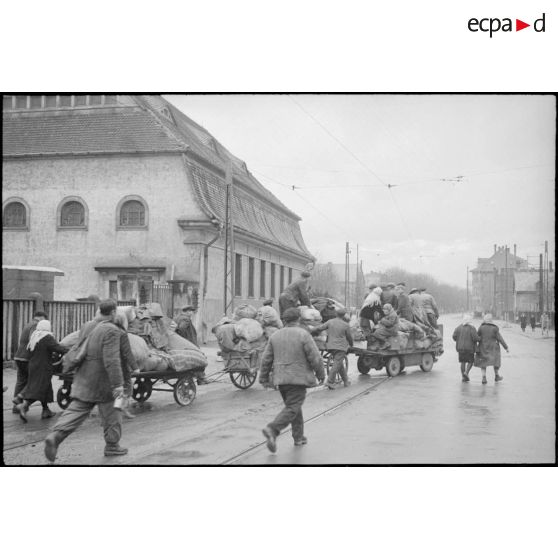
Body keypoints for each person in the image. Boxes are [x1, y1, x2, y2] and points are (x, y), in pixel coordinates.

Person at [44, 299, 128, 462]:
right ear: (112, 312)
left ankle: (55, 436)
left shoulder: (87, 325)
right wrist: (118, 384)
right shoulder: (111, 329)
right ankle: (112, 446)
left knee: (76, 410)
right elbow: (112, 360)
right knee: (113, 413)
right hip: (103, 380)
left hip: (84, 376)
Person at [259, 307, 325, 452]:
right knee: (293, 407)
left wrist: (263, 378)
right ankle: (273, 429)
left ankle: (298, 437)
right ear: (298, 319)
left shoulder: (275, 335)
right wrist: (321, 374)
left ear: (284, 320)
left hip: (281, 379)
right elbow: (315, 357)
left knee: (294, 406)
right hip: (298, 377)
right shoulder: (303, 334)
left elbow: (266, 359)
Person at [16, 320, 68, 422]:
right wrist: (72, 350)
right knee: (39, 388)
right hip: (43, 367)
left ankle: (46, 411)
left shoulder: (35, 336)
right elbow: (58, 348)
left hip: (33, 365)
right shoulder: (47, 337)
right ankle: (25, 405)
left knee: (46, 387)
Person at [12, 311, 48, 413]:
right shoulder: (35, 326)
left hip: (19, 357)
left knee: (20, 382)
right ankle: (44, 409)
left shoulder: (28, 324)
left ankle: (16, 407)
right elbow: (33, 340)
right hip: (28, 358)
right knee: (36, 381)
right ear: (41, 319)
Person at [315, 308, 353, 389]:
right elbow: (349, 337)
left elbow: (320, 328)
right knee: (337, 363)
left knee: (339, 363)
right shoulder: (345, 325)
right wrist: (351, 345)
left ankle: (346, 381)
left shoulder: (330, 321)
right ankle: (330, 381)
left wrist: (311, 330)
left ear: (336, 314)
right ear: (343, 316)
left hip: (331, 346)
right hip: (341, 347)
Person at [113, 310, 140, 420]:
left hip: (108, 363)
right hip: (120, 364)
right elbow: (127, 352)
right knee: (127, 385)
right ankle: (121, 408)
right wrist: (135, 367)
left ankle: (113, 410)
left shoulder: (108, 330)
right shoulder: (122, 333)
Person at [175, 305, 209, 384]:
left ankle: (196, 376)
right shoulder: (186, 319)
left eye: (192, 311)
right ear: (186, 312)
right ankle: (201, 378)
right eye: (190, 311)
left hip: (181, 344)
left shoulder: (177, 318)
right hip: (189, 343)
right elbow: (181, 329)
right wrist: (184, 339)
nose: (192, 313)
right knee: (200, 358)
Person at [475, 313, 509, 384]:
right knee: (496, 361)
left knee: (483, 362)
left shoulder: (481, 327)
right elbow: (500, 338)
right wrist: (506, 347)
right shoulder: (494, 328)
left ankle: (484, 377)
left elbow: (477, 337)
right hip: (493, 348)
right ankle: (496, 375)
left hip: (483, 347)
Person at [452, 314, 479, 382]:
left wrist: (458, 340)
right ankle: (466, 373)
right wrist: (480, 338)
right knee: (470, 361)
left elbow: (454, 336)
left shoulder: (458, 327)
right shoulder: (472, 328)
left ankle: (463, 377)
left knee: (462, 362)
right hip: (469, 349)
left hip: (460, 348)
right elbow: (475, 338)